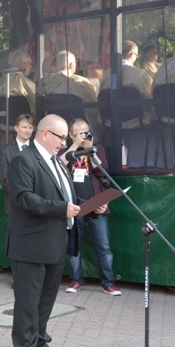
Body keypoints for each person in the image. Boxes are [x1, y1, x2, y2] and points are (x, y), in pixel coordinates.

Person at [7, 114, 80, 347]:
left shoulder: (56, 162)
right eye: (61, 137)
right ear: (45, 133)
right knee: (28, 301)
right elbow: (24, 198)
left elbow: (65, 194)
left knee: (46, 299)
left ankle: (39, 343)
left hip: (55, 241)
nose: (64, 142)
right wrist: (62, 208)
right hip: (30, 244)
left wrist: (87, 206)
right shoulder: (23, 160)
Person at [60, 119, 121, 296]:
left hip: (96, 204)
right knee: (74, 247)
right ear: (71, 135)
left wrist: (90, 150)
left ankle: (108, 283)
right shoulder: (67, 151)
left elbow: (102, 171)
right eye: (80, 133)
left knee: (103, 246)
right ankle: (75, 280)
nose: (85, 136)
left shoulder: (98, 149)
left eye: (87, 132)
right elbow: (60, 164)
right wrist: (76, 145)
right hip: (74, 205)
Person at [0, 114, 35, 278]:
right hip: (14, 203)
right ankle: (18, 277)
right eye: (24, 127)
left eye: (30, 127)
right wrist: (22, 197)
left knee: (34, 241)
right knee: (17, 242)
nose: (27, 131)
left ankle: (32, 276)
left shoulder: (37, 148)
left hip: (36, 203)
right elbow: (4, 179)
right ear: (16, 128)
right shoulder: (6, 150)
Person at [37, 50, 100, 136]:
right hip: (80, 132)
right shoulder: (80, 82)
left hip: (54, 131)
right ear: (71, 65)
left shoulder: (43, 84)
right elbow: (95, 106)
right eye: (75, 62)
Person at [0, 51, 37, 116]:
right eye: (29, 63)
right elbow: (36, 105)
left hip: (2, 125)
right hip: (26, 124)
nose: (31, 67)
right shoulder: (24, 82)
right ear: (22, 65)